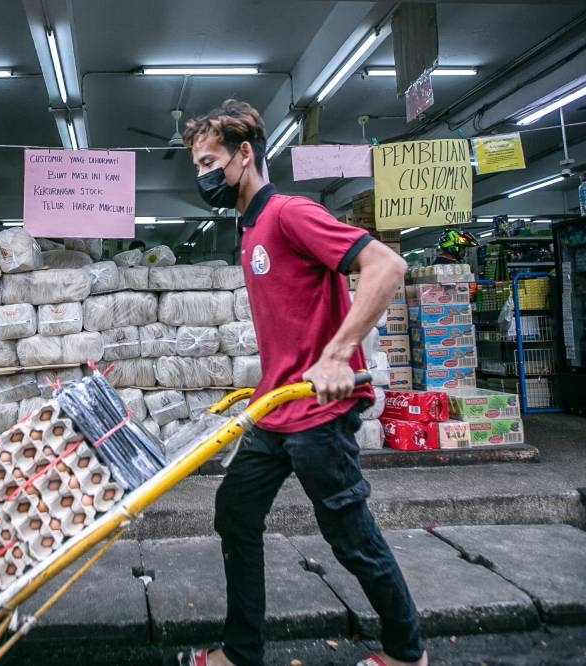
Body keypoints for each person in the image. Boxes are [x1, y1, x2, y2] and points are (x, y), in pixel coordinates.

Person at [177, 100, 426, 666]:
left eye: (210, 161)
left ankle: (408, 654)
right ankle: (242, 654)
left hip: (319, 412)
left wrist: (339, 353)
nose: (204, 177)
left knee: (350, 537)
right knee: (234, 512)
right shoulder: (250, 229)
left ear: (245, 155)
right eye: (197, 167)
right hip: (276, 408)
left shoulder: (288, 213)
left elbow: (386, 266)